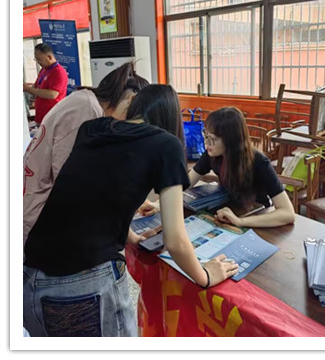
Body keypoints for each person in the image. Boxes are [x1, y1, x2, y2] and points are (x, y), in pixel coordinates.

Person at [23, 85, 238, 337]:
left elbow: (94, 197)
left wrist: (133, 238)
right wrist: (205, 276)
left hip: (29, 278)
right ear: (171, 116)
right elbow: (175, 240)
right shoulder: (166, 144)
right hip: (82, 287)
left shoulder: (92, 129)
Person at [23, 62, 149, 246]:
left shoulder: (86, 102)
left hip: (47, 212)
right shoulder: (87, 111)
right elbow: (73, 184)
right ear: (130, 99)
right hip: (41, 221)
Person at [188, 107, 296, 228]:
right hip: (230, 211)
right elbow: (187, 182)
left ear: (231, 140)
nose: (206, 143)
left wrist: (240, 221)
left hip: (257, 216)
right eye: (206, 135)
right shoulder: (212, 154)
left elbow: (288, 214)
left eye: (213, 139)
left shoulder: (259, 161)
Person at [23, 43, 68, 124]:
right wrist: (26, 87)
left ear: (49, 57)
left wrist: (29, 89)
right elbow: (37, 86)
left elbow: (52, 94)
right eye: (36, 59)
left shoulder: (58, 72)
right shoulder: (44, 70)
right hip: (41, 116)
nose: (38, 62)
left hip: (52, 117)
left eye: (40, 60)